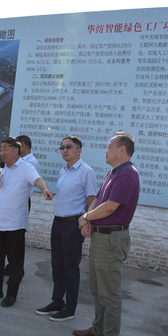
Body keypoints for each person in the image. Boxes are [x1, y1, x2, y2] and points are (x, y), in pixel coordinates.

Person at [74, 132, 140, 336]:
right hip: (101, 237)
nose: (106, 150)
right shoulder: (114, 172)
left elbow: (111, 206)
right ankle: (98, 329)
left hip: (112, 239)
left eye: (110, 146)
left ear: (122, 150)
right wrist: (88, 220)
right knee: (97, 288)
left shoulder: (128, 174)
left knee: (109, 292)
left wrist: (85, 217)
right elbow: (98, 200)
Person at [0, 137, 53, 307]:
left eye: (5, 148)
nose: (2, 152)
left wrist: (45, 189)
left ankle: (12, 294)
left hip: (15, 225)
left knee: (15, 262)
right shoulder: (1, 169)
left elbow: (38, 180)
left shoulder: (26, 168)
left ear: (16, 150)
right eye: (1, 149)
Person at [36, 136, 97, 322]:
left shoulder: (86, 171)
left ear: (79, 150)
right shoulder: (64, 170)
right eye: (62, 147)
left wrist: (86, 222)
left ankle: (70, 308)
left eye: (68, 147)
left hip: (73, 224)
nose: (64, 150)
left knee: (70, 268)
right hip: (58, 223)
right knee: (57, 265)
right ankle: (57, 301)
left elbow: (91, 199)